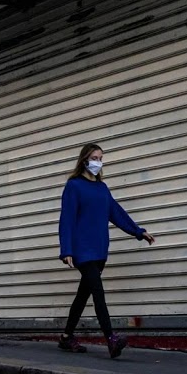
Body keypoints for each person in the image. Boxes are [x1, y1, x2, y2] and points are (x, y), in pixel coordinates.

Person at [57, 143, 155, 358]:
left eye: (101, 158)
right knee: (98, 293)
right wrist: (67, 250)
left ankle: (66, 337)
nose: (98, 162)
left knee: (83, 295)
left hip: (100, 249)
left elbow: (116, 213)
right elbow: (67, 220)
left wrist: (138, 232)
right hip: (83, 250)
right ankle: (111, 338)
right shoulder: (74, 186)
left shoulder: (102, 188)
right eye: (94, 158)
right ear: (84, 160)